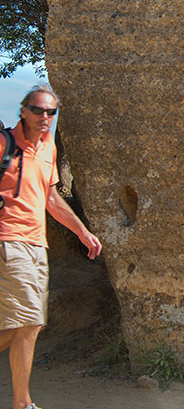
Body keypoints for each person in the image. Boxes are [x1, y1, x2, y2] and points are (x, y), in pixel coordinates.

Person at [0, 84, 101, 409]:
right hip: (9, 240)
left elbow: (52, 199)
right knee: (29, 323)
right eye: (39, 110)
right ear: (24, 111)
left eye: (51, 112)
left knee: (26, 324)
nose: (46, 117)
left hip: (36, 245)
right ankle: (22, 403)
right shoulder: (4, 143)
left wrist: (83, 232)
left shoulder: (48, 149)